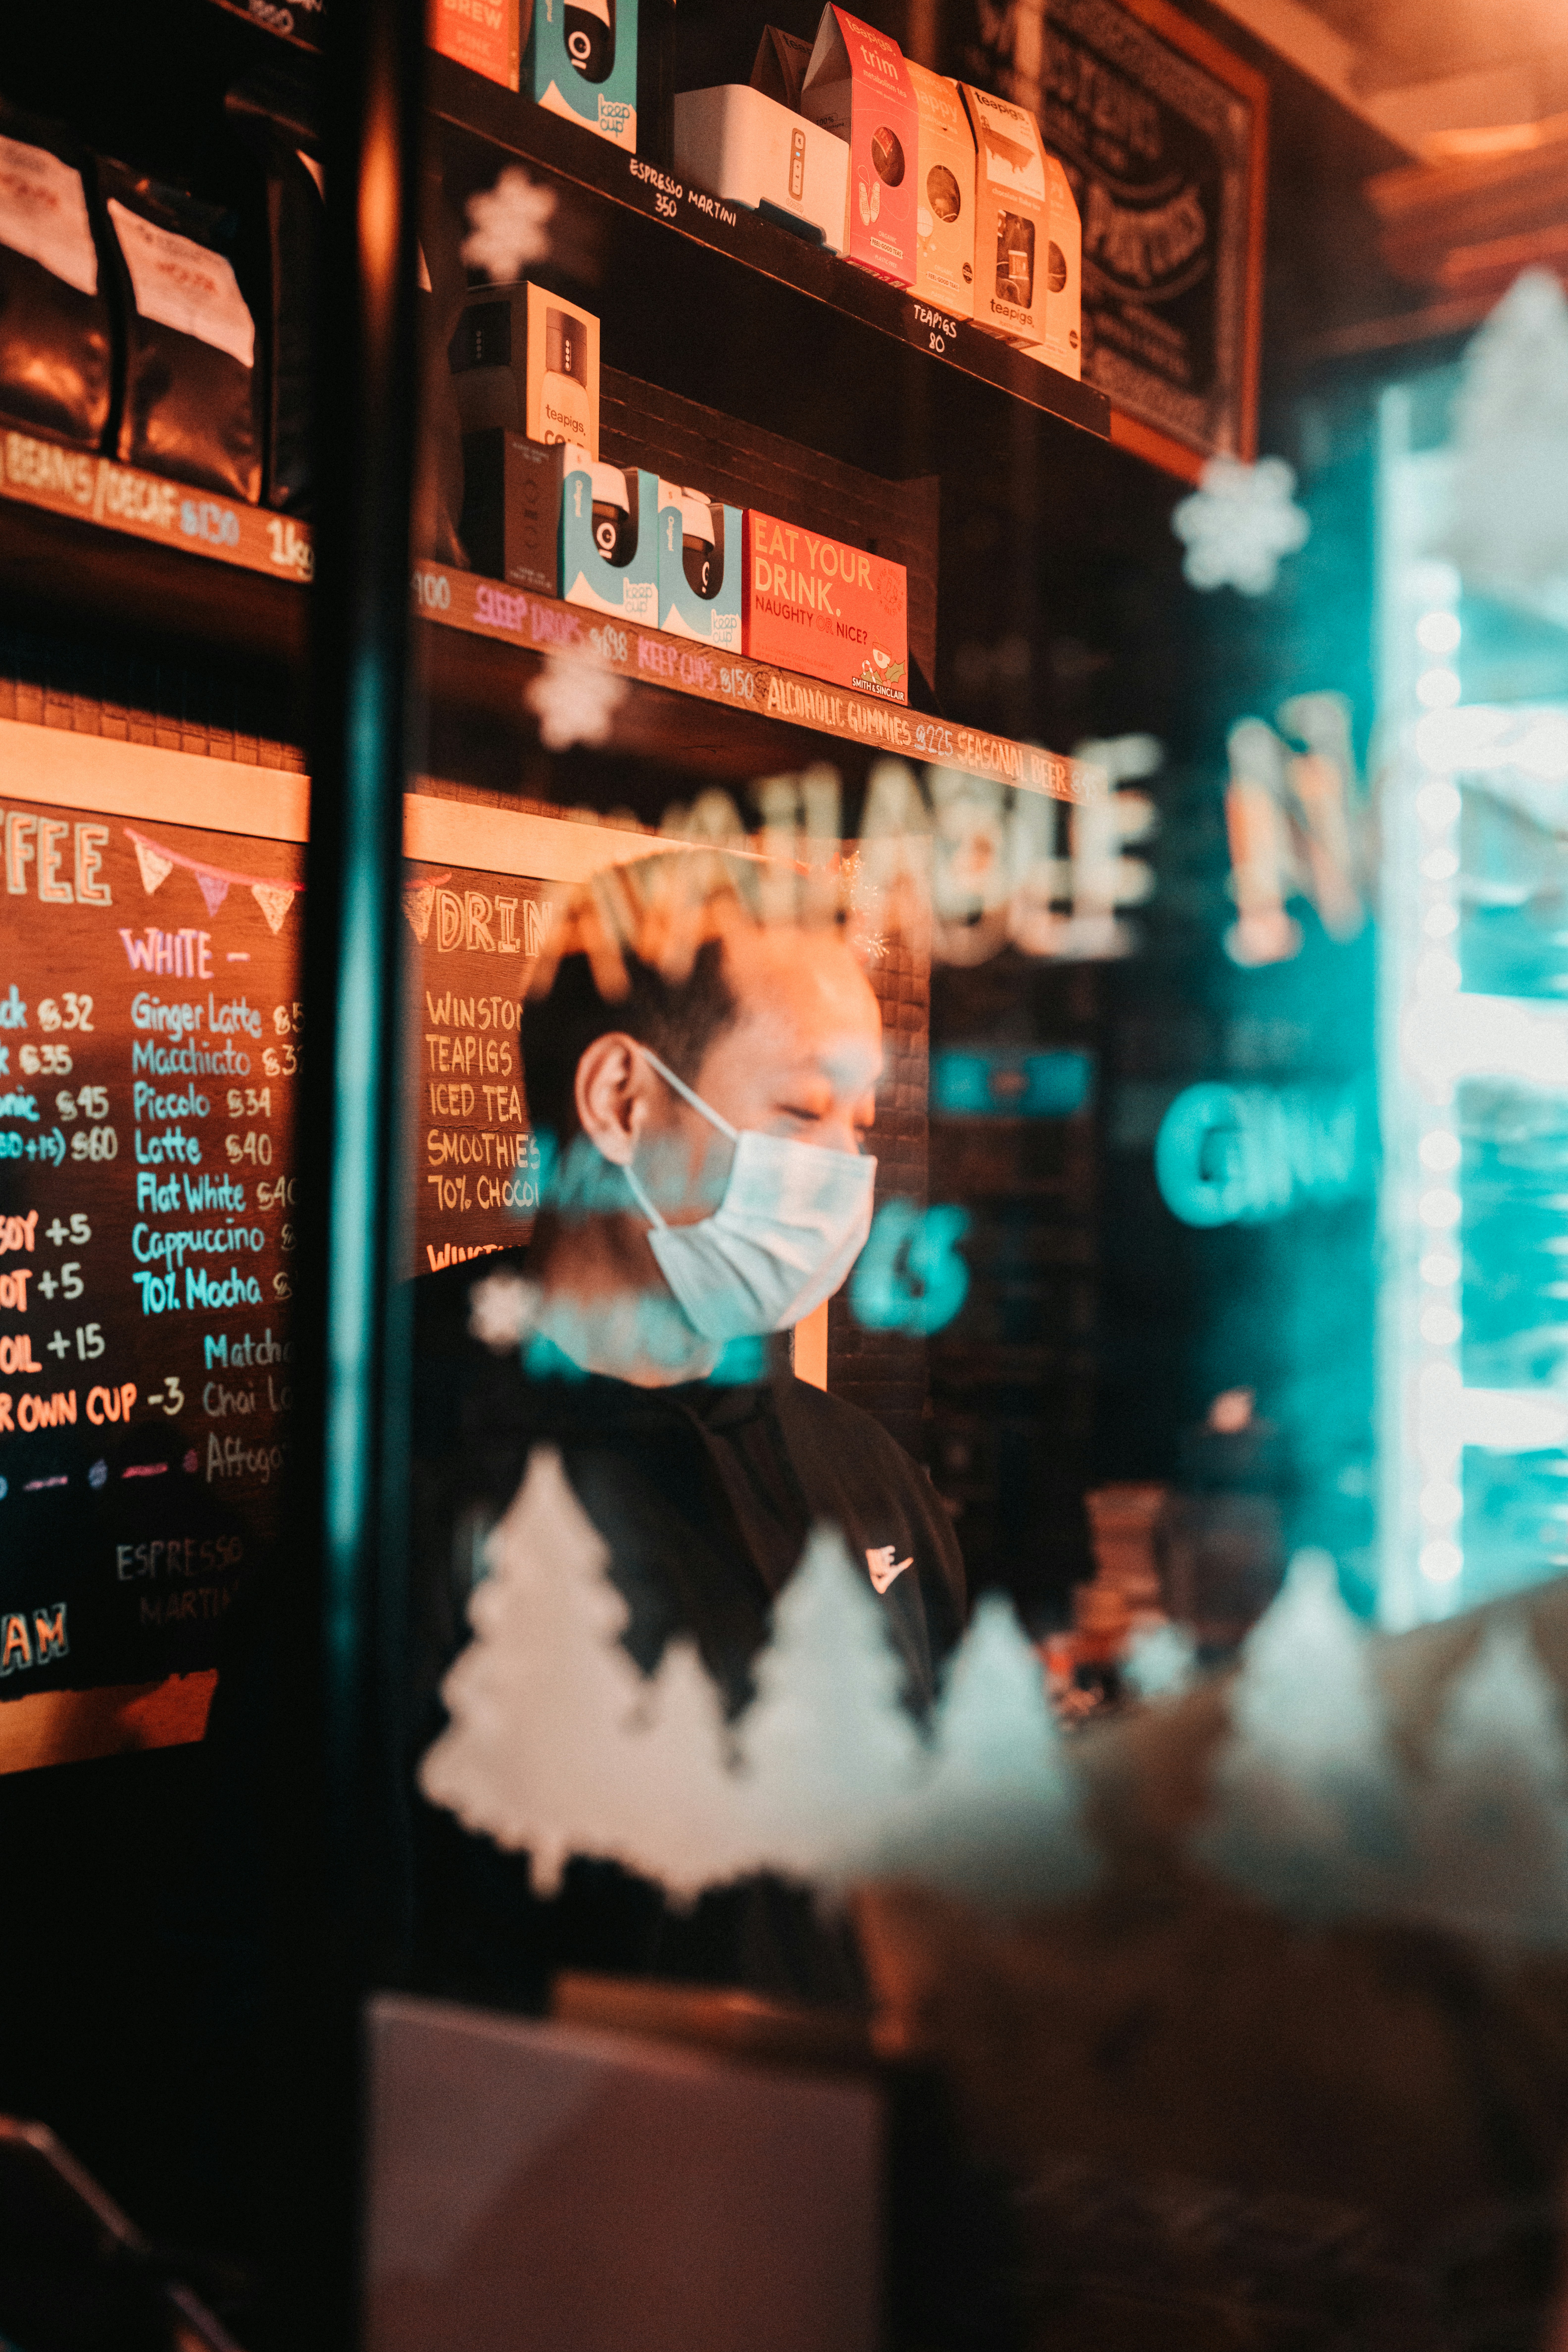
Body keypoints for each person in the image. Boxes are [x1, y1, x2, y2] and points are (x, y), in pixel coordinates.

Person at [409, 849, 966, 2002]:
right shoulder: (408, 1491)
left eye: (859, 1124)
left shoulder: (866, 1476)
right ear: (621, 1103)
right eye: (803, 1111)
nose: (846, 1173)